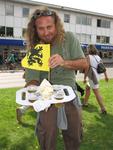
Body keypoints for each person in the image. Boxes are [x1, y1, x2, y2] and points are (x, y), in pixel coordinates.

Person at [16, 7, 88, 150]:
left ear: (57, 25)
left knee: (74, 135)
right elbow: (33, 80)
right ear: (35, 29)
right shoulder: (35, 49)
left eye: (49, 27)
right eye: (41, 28)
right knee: (47, 133)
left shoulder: (69, 38)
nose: (46, 32)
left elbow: (84, 63)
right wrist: (31, 89)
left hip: (69, 93)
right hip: (45, 94)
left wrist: (64, 62)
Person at [82, 44, 108, 114]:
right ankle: (85, 103)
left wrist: (84, 78)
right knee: (87, 88)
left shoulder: (88, 57)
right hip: (97, 76)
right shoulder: (98, 57)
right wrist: (106, 76)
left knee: (96, 93)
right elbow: (103, 67)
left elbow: (87, 68)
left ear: (89, 49)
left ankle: (103, 108)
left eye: (87, 48)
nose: (87, 50)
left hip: (93, 77)